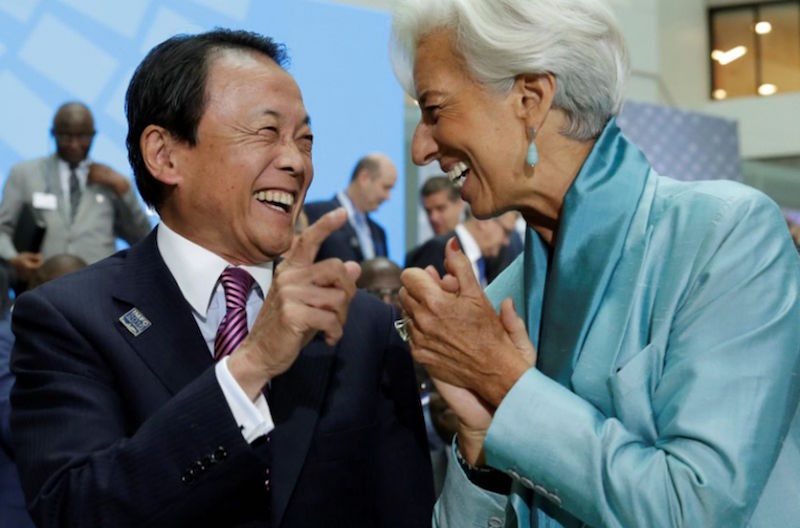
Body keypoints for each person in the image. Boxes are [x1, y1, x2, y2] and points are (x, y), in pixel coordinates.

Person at [390, 0, 800, 526]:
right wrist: (479, 451)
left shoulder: (724, 236)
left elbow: (695, 507)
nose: (422, 148)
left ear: (531, 99)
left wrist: (507, 386)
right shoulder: (500, 302)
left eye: (435, 110)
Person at [10, 29, 433, 527]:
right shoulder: (71, 319)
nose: (296, 162)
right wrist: (248, 370)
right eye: (266, 132)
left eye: (306, 140)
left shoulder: (361, 327)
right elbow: (75, 510)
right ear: (165, 155)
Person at [0, 102, 151, 287]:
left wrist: (125, 191)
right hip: (42, 287)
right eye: (65, 136)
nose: (74, 144)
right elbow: (2, 230)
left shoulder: (111, 182)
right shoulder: (24, 174)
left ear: (93, 135)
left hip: (99, 288)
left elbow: (141, 237)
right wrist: (13, 258)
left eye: (82, 137)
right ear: (52, 134)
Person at [304, 153, 396, 262]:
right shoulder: (315, 213)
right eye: (386, 187)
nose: (388, 197)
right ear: (364, 178)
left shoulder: (379, 233)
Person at [406, 210, 515, 287]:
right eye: (506, 232)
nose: (506, 241)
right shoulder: (438, 249)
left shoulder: (487, 260)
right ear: (484, 221)